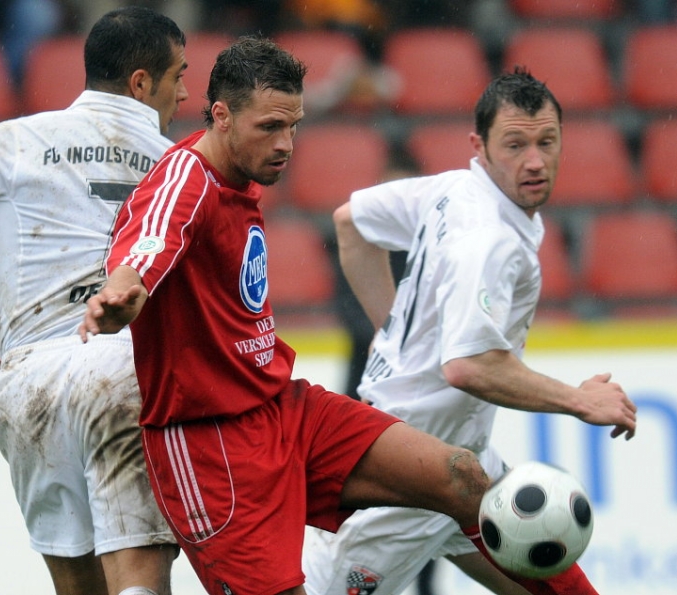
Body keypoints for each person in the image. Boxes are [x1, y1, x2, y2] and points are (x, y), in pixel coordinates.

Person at [79, 38, 636, 595]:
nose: (286, 144)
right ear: (221, 116)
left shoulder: (242, 174)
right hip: (210, 446)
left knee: (465, 477)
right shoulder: (186, 177)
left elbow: (352, 221)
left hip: (284, 410)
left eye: (293, 126)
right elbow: (148, 241)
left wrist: (392, 336)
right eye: (270, 127)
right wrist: (125, 290)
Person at [301, 67, 639, 595]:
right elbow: (468, 366)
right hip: (409, 474)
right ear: (479, 146)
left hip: (466, 466)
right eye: (515, 144)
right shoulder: (488, 239)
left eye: (547, 142)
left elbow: (351, 222)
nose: (534, 160)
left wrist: (392, 334)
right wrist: (579, 400)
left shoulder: (454, 189)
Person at [0, 6, 189, 595]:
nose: (185, 92)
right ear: (140, 82)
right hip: (124, 365)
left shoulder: (10, 140)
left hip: (29, 379)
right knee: (137, 577)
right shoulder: (178, 167)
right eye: (179, 74)